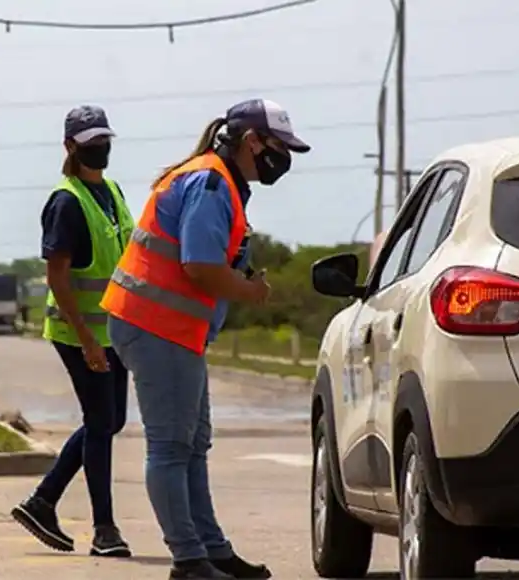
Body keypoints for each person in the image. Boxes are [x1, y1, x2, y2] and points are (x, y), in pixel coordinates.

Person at [101, 99, 311, 579]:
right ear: (251, 142)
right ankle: (188, 559)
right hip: (157, 327)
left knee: (193, 444)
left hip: (171, 330)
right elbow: (199, 266)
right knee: (172, 448)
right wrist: (250, 290)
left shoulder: (220, 182)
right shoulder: (211, 183)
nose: (283, 161)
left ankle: (211, 550)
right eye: (279, 149)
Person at [11, 105, 136, 558]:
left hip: (115, 331)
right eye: (90, 143)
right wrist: (86, 339)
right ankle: (105, 530)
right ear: (71, 147)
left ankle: (43, 501)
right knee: (101, 424)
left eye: (104, 140)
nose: (99, 149)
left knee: (111, 421)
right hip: (78, 333)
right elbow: (58, 277)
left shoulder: (114, 192)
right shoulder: (66, 202)